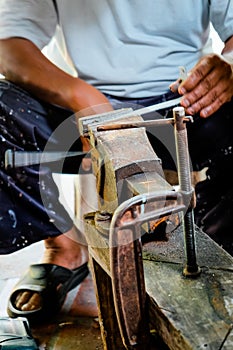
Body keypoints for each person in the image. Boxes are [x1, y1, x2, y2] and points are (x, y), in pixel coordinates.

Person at [0, 0, 232, 323]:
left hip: (185, 100)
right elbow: (9, 45)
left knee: (214, 258)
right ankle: (63, 247)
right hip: (84, 104)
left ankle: (215, 247)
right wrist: (81, 97)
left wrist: (229, 65)